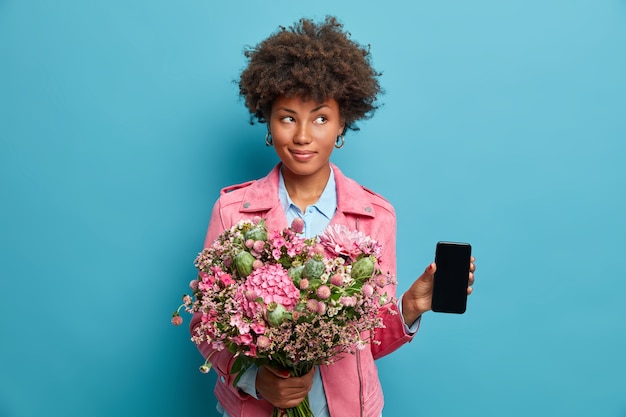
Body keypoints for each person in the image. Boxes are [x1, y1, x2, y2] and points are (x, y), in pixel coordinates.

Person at [191, 16, 476, 417]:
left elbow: (368, 344)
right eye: (287, 117)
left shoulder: (376, 216)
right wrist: (256, 380)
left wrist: (409, 307)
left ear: (343, 123)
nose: (303, 135)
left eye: (321, 118)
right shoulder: (232, 211)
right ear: (268, 125)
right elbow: (206, 325)